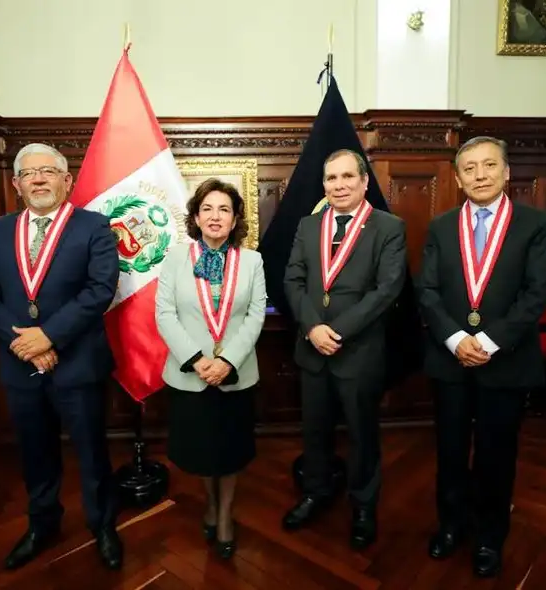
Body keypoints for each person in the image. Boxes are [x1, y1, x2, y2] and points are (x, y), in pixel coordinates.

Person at [0, 143, 123, 571]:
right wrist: (24, 343)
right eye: (29, 173)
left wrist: (49, 338)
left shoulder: (93, 226)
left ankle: (103, 526)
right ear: (16, 184)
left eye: (48, 171)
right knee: (35, 452)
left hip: (78, 362)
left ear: (66, 180)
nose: (39, 178)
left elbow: (100, 289)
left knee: (92, 452)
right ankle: (42, 525)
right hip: (21, 366)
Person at [417, 136, 546, 577]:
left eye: (489, 166)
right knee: (451, 452)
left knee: (497, 455)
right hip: (450, 361)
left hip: (507, 362)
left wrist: (490, 342)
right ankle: (451, 526)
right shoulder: (440, 227)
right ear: (458, 178)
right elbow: (428, 291)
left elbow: (536, 295)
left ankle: (491, 538)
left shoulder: (533, 224)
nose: (480, 175)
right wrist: (457, 340)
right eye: (470, 168)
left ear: (507, 172)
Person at [281, 149, 407, 549]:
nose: (339, 185)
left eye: (347, 177)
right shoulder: (308, 225)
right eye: (331, 178)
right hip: (312, 348)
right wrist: (312, 326)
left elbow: (387, 290)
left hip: (359, 352)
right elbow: (293, 279)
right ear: (324, 185)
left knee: (362, 434)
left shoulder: (388, 227)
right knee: (314, 431)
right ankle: (316, 492)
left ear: (364, 181)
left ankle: (364, 506)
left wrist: (337, 331)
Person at [154, 178, 266, 559]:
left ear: (235, 220)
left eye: (224, 210)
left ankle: (225, 514)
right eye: (208, 209)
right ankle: (209, 503)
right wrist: (199, 361)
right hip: (190, 375)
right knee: (201, 451)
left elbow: (255, 316)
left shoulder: (252, 261)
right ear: (196, 218)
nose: (215, 216)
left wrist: (227, 361)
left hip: (237, 374)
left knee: (232, 450)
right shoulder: (173, 259)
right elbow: (164, 313)